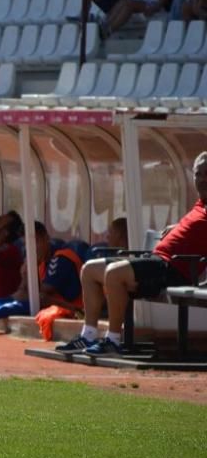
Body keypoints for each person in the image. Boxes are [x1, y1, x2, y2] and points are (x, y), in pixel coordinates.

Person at [54, 152, 207, 357]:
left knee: (114, 273)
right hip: (155, 261)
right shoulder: (201, 203)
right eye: (199, 174)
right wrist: (177, 226)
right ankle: (89, 335)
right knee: (89, 269)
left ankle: (113, 340)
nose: (203, 179)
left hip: (174, 269)